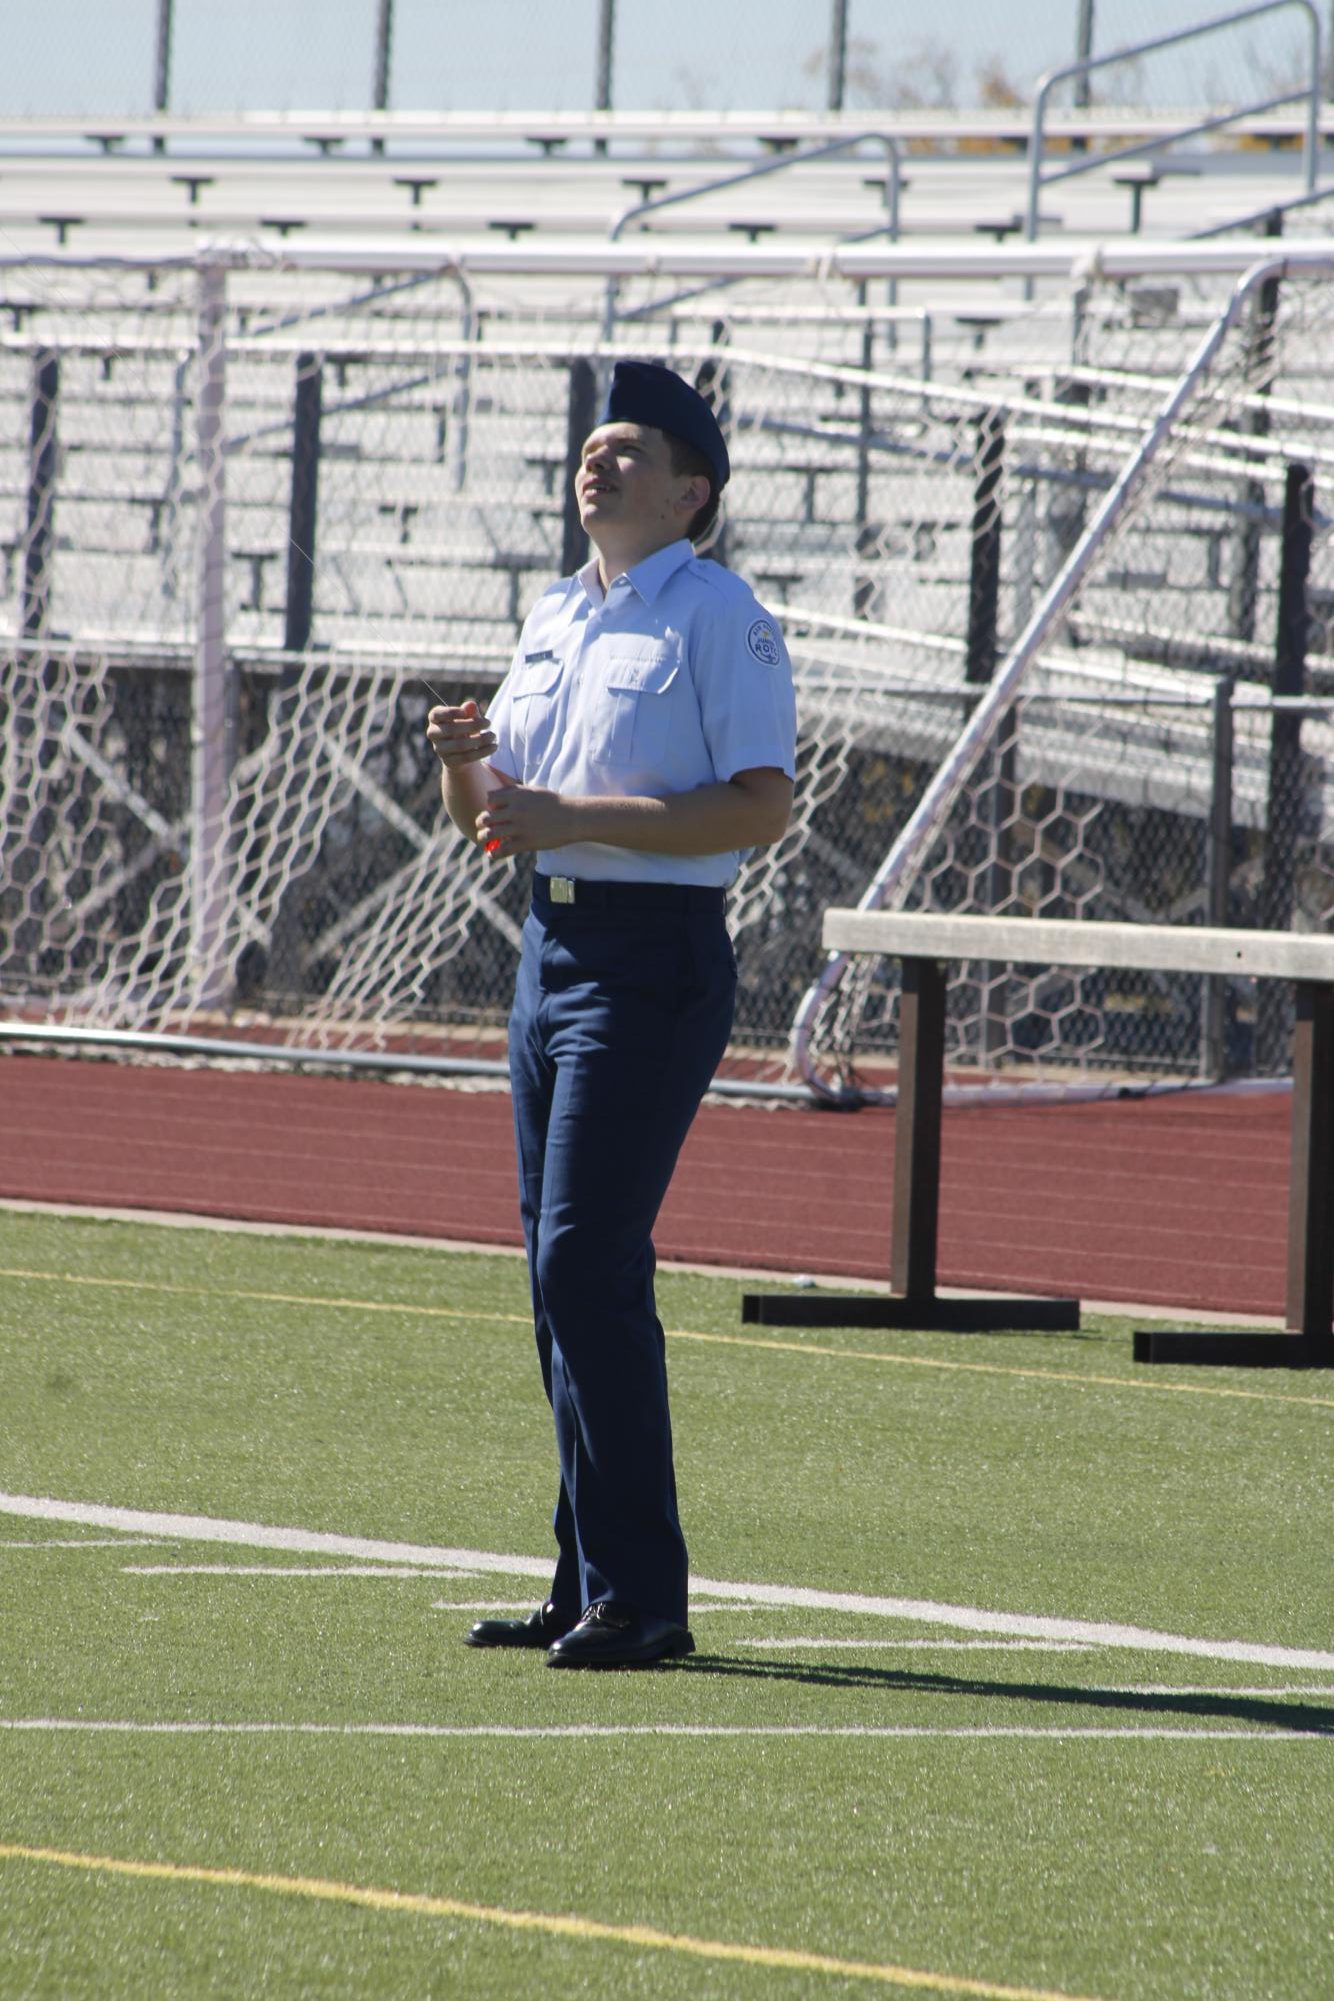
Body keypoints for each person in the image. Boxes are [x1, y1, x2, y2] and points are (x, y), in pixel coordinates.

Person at [427, 359, 797, 1669]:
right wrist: (468, 757)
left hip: (650, 956)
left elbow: (760, 806)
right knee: (554, 1275)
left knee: (586, 1259)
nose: (600, 460)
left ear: (692, 491)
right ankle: (588, 1574)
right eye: (594, 443)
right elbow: (494, 821)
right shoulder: (553, 614)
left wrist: (569, 816)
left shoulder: (717, 614)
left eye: (630, 448)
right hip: (551, 943)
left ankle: (644, 1594)